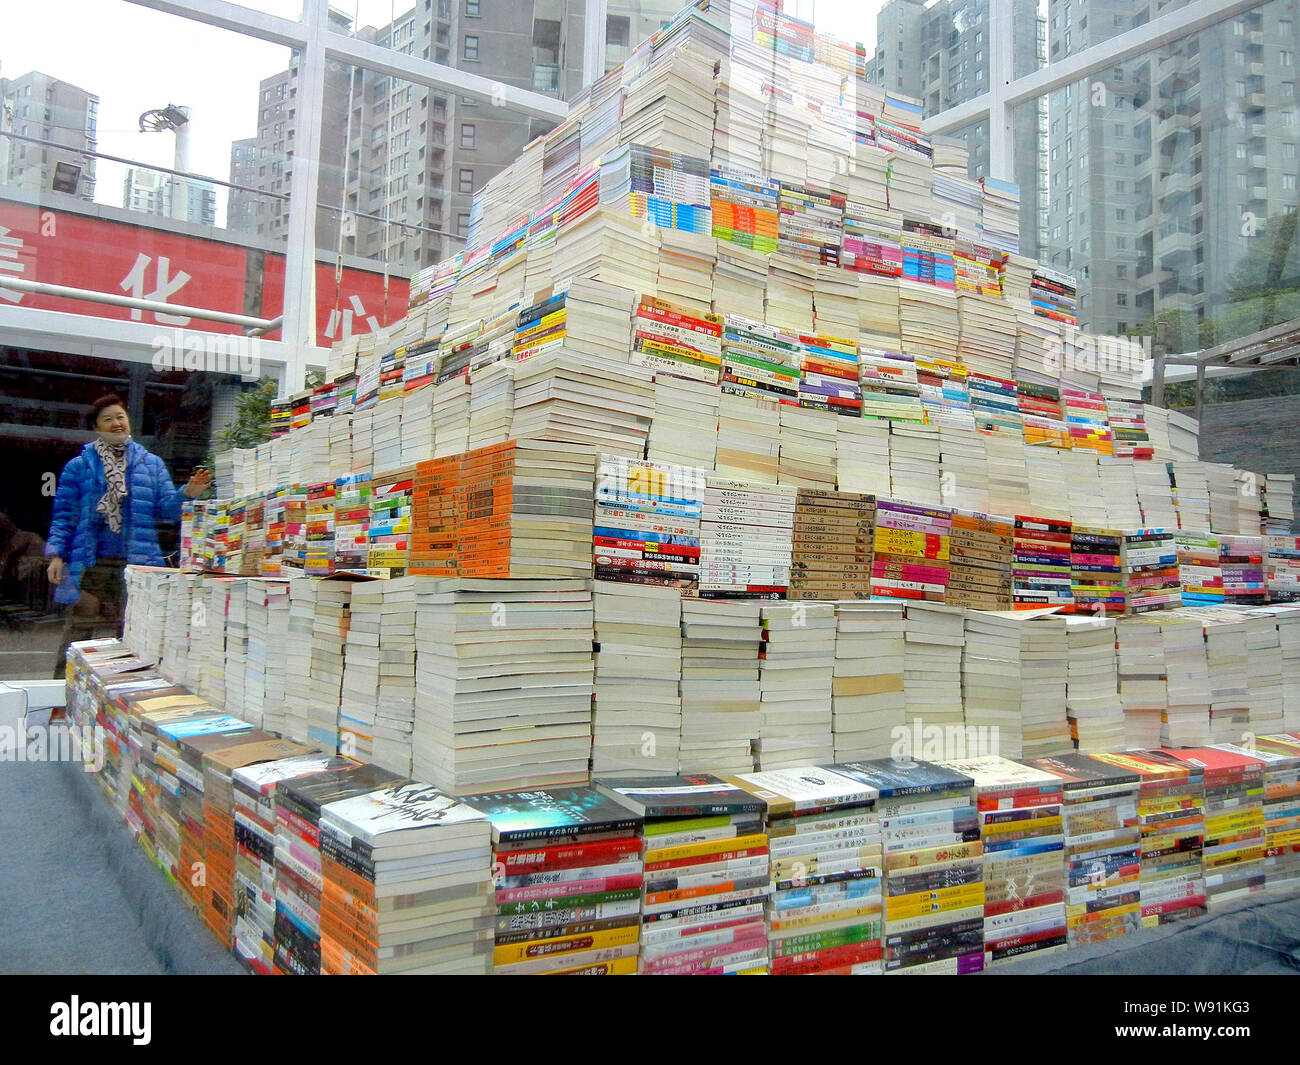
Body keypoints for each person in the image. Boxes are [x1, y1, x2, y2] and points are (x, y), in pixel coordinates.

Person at [45, 394, 211, 677]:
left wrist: (189, 493)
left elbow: (167, 511)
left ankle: (121, 695)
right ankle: (65, 688)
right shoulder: (78, 467)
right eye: (107, 419)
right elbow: (63, 516)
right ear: (96, 427)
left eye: (120, 417)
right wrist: (56, 555)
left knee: (135, 633)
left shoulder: (151, 464)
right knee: (79, 633)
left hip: (138, 565)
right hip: (92, 565)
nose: (116, 423)